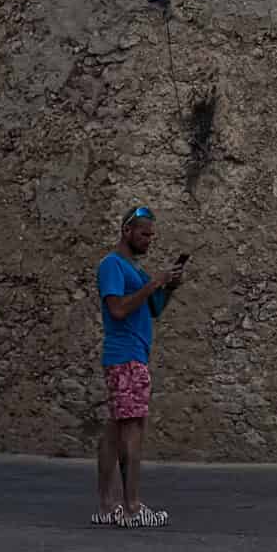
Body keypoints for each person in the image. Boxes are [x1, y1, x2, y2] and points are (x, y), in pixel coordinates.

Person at [95, 206, 187, 528]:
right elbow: (118, 309)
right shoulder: (112, 265)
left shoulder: (136, 271)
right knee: (132, 431)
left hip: (131, 357)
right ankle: (132, 507)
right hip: (126, 357)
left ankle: (108, 507)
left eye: (152, 235)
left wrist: (169, 287)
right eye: (144, 234)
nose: (149, 240)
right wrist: (153, 283)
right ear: (126, 231)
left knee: (115, 430)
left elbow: (154, 309)